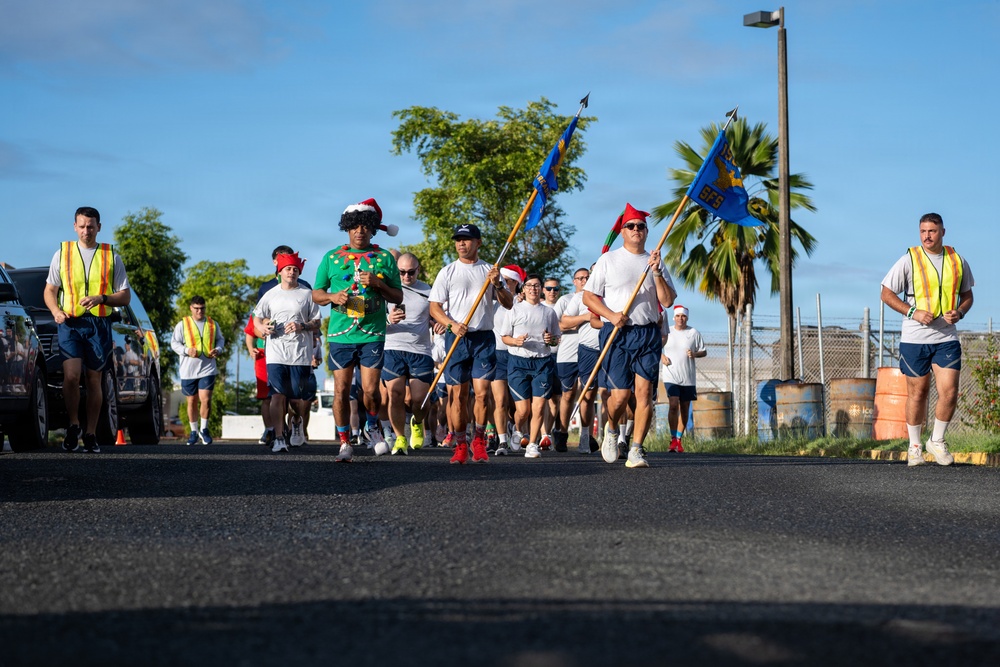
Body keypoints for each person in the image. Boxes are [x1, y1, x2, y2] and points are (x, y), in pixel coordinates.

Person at [583, 203, 676, 468]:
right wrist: (611, 315)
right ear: (622, 231)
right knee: (620, 397)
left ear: (646, 232)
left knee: (644, 394)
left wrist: (657, 272)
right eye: (631, 226)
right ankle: (611, 430)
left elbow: (667, 301)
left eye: (641, 226)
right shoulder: (608, 260)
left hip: (647, 334)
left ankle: (636, 449)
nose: (636, 230)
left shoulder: (654, 260)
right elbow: (589, 296)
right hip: (617, 333)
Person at [880, 212, 974, 467]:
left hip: (946, 337)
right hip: (914, 338)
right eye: (923, 231)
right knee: (918, 393)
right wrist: (912, 312)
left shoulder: (957, 260)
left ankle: (937, 441)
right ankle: (914, 447)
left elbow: (967, 295)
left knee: (950, 392)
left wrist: (961, 312)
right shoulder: (909, 259)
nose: (927, 236)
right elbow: (886, 293)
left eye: (932, 231)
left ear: (943, 231)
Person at [312, 198, 403, 462]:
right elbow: (316, 294)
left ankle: (372, 427)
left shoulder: (385, 257)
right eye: (355, 227)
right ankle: (344, 440)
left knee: (371, 391)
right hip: (341, 333)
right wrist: (332, 298)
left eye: (365, 227)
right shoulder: (331, 257)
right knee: (340, 391)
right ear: (348, 229)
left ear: (373, 229)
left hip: (372, 332)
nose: (360, 231)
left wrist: (378, 283)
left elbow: (397, 296)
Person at [43, 206, 131, 453]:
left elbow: (125, 296)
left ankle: (90, 433)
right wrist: (55, 312)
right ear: (74, 227)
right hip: (69, 322)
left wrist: (102, 298)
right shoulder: (62, 254)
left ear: (99, 227)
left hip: (98, 324)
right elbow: (50, 290)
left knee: (94, 380)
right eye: (81, 226)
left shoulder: (111, 256)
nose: (86, 231)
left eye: (90, 226)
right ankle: (73, 425)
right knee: (71, 376)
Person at [429, 223, 514, 464]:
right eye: (458, 239)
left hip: (483, 338)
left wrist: (498, 284)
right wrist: (450, 324)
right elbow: (434, 308)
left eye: (466, 239)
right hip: (456, 338)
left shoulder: (490, 270)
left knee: (482, 393)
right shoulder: (447, 272)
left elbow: (508, 303)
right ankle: (460, 443)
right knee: (458, 395)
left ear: (478, 242)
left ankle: (478, 440)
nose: (461, 243)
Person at [254, 252, 322, 453]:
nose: (291, 272)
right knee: (277, 395)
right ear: (280, 272)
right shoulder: (270, 294)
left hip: (300, 354)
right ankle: (279, 438)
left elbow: (318, 322)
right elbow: (257, 319)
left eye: (294, 269)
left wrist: (302, 326)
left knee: (297, 400)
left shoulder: (307, 293)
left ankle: (298, 421)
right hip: (276, 354)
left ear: (299, 272)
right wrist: (263, 329)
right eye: (287, 269)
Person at [500, 274, 561, 458]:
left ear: (541, 289)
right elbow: (504, 337)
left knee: (539, 406)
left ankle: (533, 444)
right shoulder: (514, 310)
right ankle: (517, 429)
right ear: (523, 289)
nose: (533, 289)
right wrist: (516, 341)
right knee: (523, 410)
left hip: (542, 361)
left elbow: (556, 338)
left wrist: (551, 340)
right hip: (518, 362)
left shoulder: (549, 312)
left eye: (536, 285)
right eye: (529, 286)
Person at [383, 252, 436, 455]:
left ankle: (417, 421)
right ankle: (400, 438)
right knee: (394, 394)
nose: (406, 277)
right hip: (393, 348)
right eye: (402, 272)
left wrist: (439, 324)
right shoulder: (387, 289)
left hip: (420, 350)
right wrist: (388, 320)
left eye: (411, 272)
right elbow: (367, 317)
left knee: (419, 400)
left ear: (418, 270)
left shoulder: (428, 291)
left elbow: (437, 314)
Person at [170, 296, 224, 445]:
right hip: (188, 369)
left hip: (208, 368)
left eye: (202, 308)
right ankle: (193, 431)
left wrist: (218, 349)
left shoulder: (213, 324)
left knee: (206, 400)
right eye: (197, 308)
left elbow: (220, 339)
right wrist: (187, 350)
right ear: (191, 308)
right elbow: (174, 343)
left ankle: (204, 429)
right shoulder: (182, 324)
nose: (200, 311)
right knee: (192, 401)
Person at [660, 304, 706, 453]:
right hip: (670, 375)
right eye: (678, 316)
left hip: (688, 377)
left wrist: (694, 354)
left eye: (683, 316)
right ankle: (672, 438)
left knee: (685, 407)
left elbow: (703, 351)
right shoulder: (667, 331)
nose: (681, 318)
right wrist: (661, 357)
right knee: (673, 405)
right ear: (674, 317)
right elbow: (656, 346)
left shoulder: (693, 333)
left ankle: (679, 440)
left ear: (687, 317)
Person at [555, 267, 590, 451]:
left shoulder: (598, 298)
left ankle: (585, 435)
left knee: (587, 394)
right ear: (574, 281)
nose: (584, 280)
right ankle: (562, 432)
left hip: (589, 352)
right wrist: (583, 320)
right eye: (580, 278)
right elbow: (559, 324)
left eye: (587, 277)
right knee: (567, 395)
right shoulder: (565, 300)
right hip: (567, 353)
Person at [491, 265, 526, 456]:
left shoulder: (522, 303)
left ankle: (516, 428)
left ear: (515, 283)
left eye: (507, 280)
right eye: (501, 279)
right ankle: (502, 440)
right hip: (497, 354)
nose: (503, 282)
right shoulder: (491, 300)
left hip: (517, 356)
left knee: (517, 406)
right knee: (500, 400)